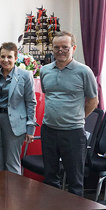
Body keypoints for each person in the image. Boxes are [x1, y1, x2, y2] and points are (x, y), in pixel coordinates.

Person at [40, 31, 98, 196]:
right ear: (52, 49)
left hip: (73, 133)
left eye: (65, 47)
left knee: (75, 181)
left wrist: (77, 118)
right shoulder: (45, 71)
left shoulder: (84, 72)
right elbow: (49, 95)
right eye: (57, 47)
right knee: (50, 178)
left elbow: (93, 102)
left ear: (73, 48)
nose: (60, 51)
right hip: (48, 130)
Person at [0, 42, 37, 175]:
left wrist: (30, 129)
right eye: (3, 56)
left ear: (16, 58)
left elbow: (31, 103)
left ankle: (15, 194)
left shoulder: (25, 75)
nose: (6, 60)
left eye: (9, 57)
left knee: (11, 162)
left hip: (15, 123)